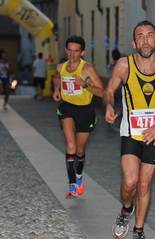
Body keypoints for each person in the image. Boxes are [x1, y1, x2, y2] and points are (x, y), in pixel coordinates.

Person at [103, 20, 155, 239]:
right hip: (130, 132)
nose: (145, 40)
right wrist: (109, 106)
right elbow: (109, 92)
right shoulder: (124, 65)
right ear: (133, 42)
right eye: (140, 36)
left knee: (144, 184)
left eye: (149, 36)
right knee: (130, 182)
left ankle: (138, 231)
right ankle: (125, 210)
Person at [53, 35, 104, 198]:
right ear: (65, 50)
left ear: (82, 52)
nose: (72, 54)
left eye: (76, 51)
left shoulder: (88, 69)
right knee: (71, 145)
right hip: (67, 108)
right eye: (70, 50)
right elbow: (56, 78)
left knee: (80, 149)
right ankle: (72, 184)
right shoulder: (61, 67)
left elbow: (102, 91)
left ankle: (79, 175)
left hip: (85, 111)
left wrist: (85, 84)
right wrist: (56, 90)